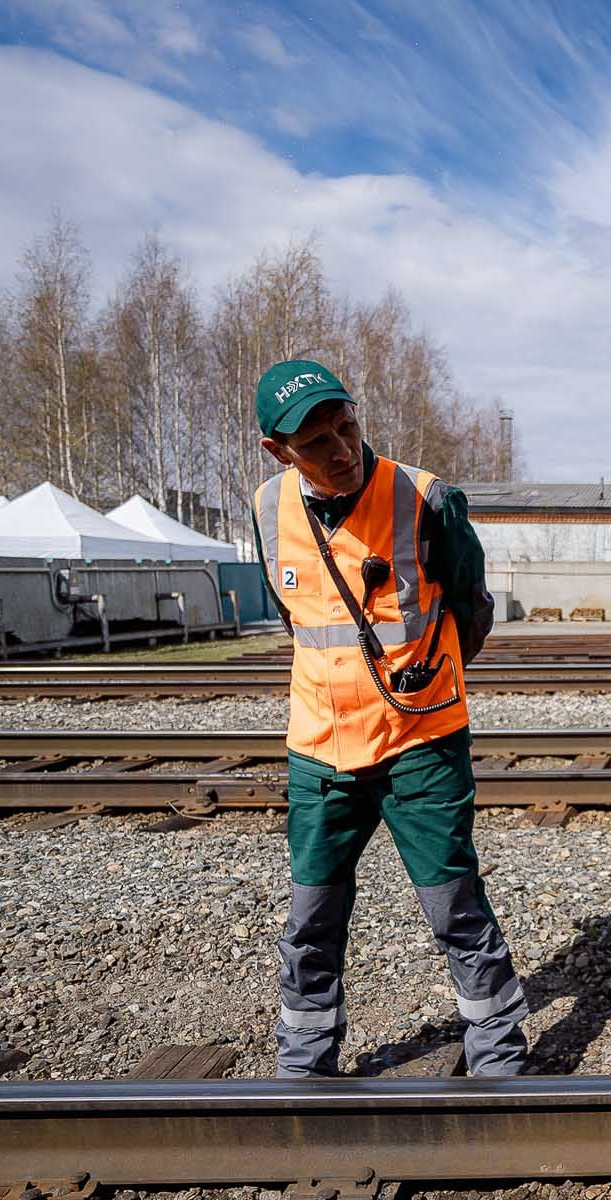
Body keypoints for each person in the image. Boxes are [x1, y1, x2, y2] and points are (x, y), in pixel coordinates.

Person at [250, 359, 530, 1078]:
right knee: (310, 918)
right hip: (319, 749)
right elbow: (298, 621)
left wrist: (423, 681)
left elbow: (471, 611)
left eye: (347, 426)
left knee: (454, 906)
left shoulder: (428, 499)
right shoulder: (266, 509)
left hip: (419, 739)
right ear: (277, 450)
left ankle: (498, 1055)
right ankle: (305, 1064)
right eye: (318, 443)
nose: (341, 449)